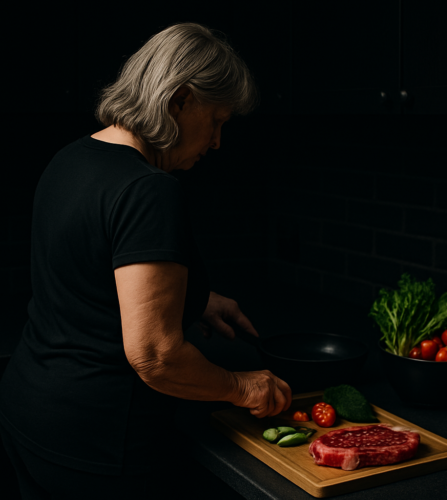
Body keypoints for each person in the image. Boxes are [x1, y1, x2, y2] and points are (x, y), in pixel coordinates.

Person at [0, 21, 292, 499]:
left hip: (26, 410)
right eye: (216, 120)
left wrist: (194, 300)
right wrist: (243, 387)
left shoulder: (71, 158)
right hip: (98, 443)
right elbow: (155, 358)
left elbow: (87, 280)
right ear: (179, 100)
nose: (218, 141)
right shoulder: (150, 190)